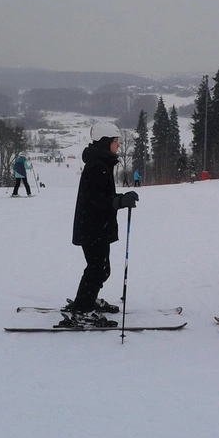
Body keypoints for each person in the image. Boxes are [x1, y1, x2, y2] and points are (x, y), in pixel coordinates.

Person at [65, 123, 139, 314]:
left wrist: (121, 198)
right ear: (106, 142)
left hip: (95, 226)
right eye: (115, 141)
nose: (118, 146)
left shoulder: (101, 164)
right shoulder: (97, 167)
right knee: (98, 268)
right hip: (92, 227)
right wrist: (121, 201)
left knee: (100, 268)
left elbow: (101, 196)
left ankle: (88, 299)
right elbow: (97, 199)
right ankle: (82, 308)